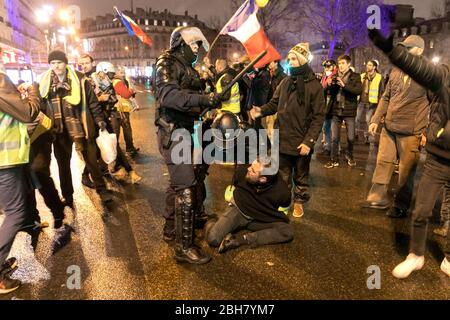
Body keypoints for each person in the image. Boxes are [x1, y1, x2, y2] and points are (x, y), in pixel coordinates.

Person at [368, 28, 450, 278]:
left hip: (415, 133)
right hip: (438, 158)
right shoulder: (443, 75)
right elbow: (419, 69)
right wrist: (392, 50)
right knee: (421, 210)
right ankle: (415, 255)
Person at [154, 26, 220, 264]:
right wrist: (205, 99)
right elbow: (170, 97)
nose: (197, 49)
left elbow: (191, 102)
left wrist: (210, 103)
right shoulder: (166, 63)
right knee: (185, 187)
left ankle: (172, 228)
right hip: (174, 132)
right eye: (193, 45)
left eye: (198, 46)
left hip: (189, 131)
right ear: (179, 43)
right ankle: (183, 246)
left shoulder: (188, 68)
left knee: (183, 181)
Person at [250, 42, 326, 218]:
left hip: (301, 140)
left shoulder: (315, 86)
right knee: (282, 174)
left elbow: (318, 117)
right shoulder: (285, 82)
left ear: (302, 60)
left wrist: (309, 141)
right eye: (289, 58)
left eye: (293, 58)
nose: (289, 61)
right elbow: (275, 103)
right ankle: (284, 202)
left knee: (301, 175)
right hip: (281, 137)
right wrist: (261, 110)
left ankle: (299, 201)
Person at [38, 50, 113, 211]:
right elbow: (41, 106)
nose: (56, 66)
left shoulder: (79, 79)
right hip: (58, 130)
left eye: (59, 62)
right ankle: (68, 196)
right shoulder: (44, 83)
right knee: (63, 166)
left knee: (92, 161)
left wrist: (99, 120)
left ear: (65, 63)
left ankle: (102, 191)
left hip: (80, 126)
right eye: (53, 63)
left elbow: (92, 101)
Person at [365, 35, 429, 219]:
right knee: (383, 162)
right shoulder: (396, 71)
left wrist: (426, 131)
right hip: (390, 126)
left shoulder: (427, 73)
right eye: (404, 48)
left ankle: (401, 205)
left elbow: (436, 105)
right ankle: (377, 197)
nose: (405, 52)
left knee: (406, 170)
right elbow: (386, 97)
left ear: (420, 50)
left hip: (411, 131)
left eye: (410, 48)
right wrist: (375, 119)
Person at [0, 68, 41, 294]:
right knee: (15, 213)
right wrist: (33, 93)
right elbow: (27, 113)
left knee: (9, 211)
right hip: (5, 161)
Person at [206, 157, 293, 253]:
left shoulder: (282, 192)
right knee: (213, 239)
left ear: (263, 179)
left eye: (253, 170)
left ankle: (241, 240)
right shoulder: (242, 171)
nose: (248, 169)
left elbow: (283, 206)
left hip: (259, 218)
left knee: (287, 232)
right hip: (239, 210)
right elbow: (235, 184)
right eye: (251, 165)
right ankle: (215, 222)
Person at [93, 61, 141, 184]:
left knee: (113, 143)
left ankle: (122, 169)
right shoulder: (94, 83)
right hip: (108, 116)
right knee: (111, 144)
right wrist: (100, 99)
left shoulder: (109, 83)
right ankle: (113, 169)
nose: (111, 76)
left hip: (111, 115)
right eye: (110, 73)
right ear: (101, 72)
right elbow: (126, 94)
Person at [324, 55, 363, 168]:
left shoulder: (355, 76)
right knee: (334, 138)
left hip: (349, 111)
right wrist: (330, 84)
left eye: (343, 63)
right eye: (339, 63)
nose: (340, 66)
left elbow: (358, 91)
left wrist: (344, 85)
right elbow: (328, 92)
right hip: (336, 110)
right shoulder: (335, 76)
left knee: (351, 138)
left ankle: (349, 155)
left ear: (348, 64)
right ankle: (334, 159)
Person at [114, 66, 140, 158]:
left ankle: (128, 149)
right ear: (116, 73)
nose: (123, 73)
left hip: (122, 110)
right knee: (125, 131)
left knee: (125, 130)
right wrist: (130, 91)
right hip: (120, 110)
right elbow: (126, 94)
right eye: (120, 72)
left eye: (123, 72)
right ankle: (127, 150)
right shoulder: (117, 82)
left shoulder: (121, 81)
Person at [356, 60, 384, 144]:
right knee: (357, 118)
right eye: (367, 65)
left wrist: (380, 104)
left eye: (370, 65)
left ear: (374, 67)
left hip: (372, 103)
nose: (368, 67)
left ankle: (367, 137)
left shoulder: (379, 77)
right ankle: (357, 133)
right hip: (361, 101)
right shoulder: (362, 76)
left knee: (368, 120)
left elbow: (381, 91)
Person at [264, 60, 286, 142]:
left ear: (276, 63)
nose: (269, 64)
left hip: (277, 106)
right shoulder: (271, 75)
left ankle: (275, 147)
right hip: (270, 104)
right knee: (269, 126)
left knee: (274, 127)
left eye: (271, 62)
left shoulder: (282, 76)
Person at [320, 59, 338, 155]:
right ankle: (327, 147)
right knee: (326, 127)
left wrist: (327, 84)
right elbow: (322, 89)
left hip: (334, 106)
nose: (326, 68)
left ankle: (335, 148)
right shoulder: (325, 76)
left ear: (334, 66)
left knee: (334, 129)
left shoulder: (336, 76)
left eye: (328, 66)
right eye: (325, 66)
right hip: (326, 106)